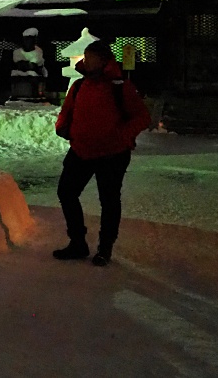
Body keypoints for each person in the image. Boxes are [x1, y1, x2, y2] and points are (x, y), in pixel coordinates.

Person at [53, 39, 150, 266]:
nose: (86, 61)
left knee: (108, 200)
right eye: (85, 57)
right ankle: (78, 242)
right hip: (81, 150)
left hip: (112, 154)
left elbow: (142, 117)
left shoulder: (119, 86)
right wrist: (63, 127)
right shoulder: (79, 86)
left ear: (104, 60)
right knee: (66, 192)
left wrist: (121, 136)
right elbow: (67, 111)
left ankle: (105, 248)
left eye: (90, 58)